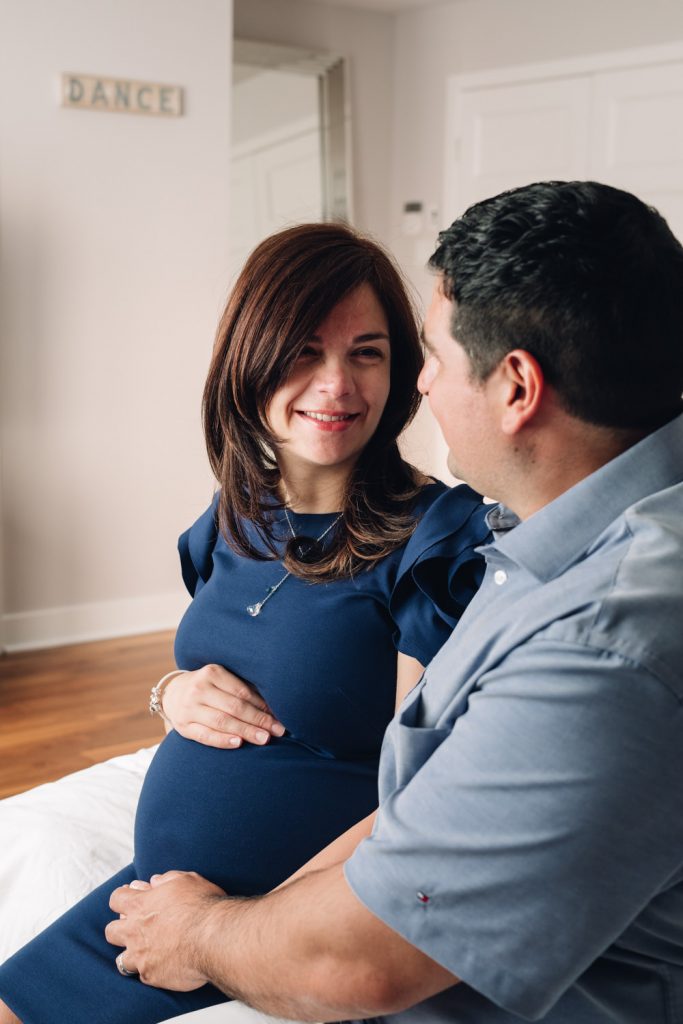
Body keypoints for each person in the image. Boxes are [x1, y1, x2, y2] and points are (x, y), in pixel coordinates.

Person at [77, 180, 681, 1024]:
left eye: (411, 354)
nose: (420, 385)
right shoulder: (540, 549)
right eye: (301, 351)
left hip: (286, 931)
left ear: (515, 388)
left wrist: (207, 930)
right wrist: (170, 692)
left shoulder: (593, 631)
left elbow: (372, 934)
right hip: (209, 908)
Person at [0, 222, 490, 1022]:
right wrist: (171, 692)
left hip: (269, 925)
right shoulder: (235, 517)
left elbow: (423, 793)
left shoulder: (433, 541)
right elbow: (218, 661)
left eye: (365, 353)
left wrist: (238, 928)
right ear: (249, 361)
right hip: (162, 898)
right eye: (303, 350)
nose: (336, 385)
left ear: (401, 372)